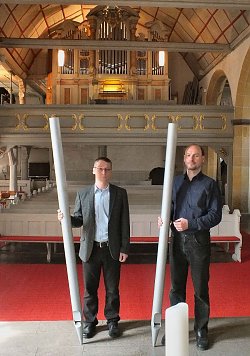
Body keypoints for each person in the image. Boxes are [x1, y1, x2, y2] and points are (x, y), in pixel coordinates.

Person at [57, 157, 130, 339]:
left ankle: (112, 321)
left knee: (112, 289)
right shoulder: (83, 194)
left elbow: (124, 223)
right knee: (90, 289)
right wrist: (66, 218)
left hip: (111, 248)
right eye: (100, 169)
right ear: (93, 170)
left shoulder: (120, 194)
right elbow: (79, 219)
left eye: (107, 169)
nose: (103, 172)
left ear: (110, 171)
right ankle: (90, 322)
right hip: (90, 249)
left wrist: (125, 248)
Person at [159, 144, 222, 351]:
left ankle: (201, 330)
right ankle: (176, 328)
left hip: (198, 242)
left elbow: (215, 215)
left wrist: (191, 224)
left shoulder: (210, 184)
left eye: (195, 155)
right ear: (184, 158)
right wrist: (164, 219)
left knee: (200, 289)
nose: (191, 158)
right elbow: (169, 208)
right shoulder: (175, 182)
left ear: (202, 158)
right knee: (176, 288)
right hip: (176, 241)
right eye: (188, 155)